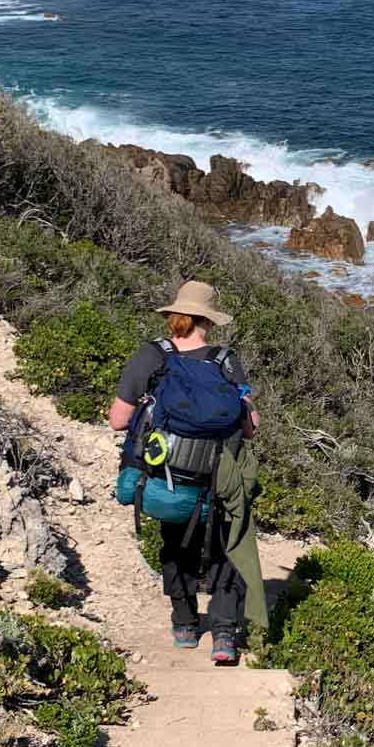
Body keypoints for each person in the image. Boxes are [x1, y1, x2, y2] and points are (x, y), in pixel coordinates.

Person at [108, 281, 268, 664]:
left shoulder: (152, 357)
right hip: (218, 478)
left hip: (168, 478)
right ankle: (225, 635)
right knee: (227, 547)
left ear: (174, 316)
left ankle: (184, 624)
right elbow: (250, 427)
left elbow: (118, 420)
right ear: (207, 322)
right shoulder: (225, 359)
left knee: (176, 541)